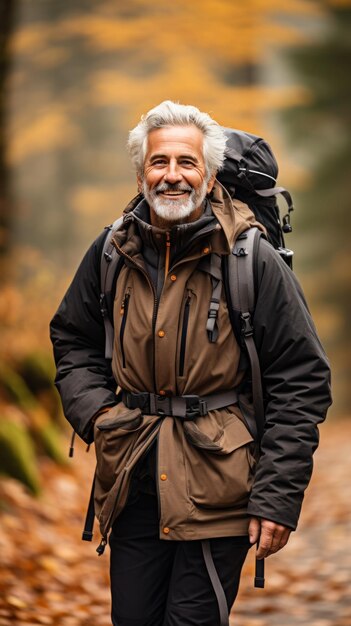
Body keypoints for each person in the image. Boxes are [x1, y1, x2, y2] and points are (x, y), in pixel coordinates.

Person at [50, 100, 332, 626]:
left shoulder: (251, 258)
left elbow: (303, 379)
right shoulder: (111, 250)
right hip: (132, 478)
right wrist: (98, 417)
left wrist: (276, 498)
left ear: (208, 174)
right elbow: (72, 338)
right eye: (159, 162)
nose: (172, 175)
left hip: (219, 489)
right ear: (141, 173)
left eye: (187, 162)